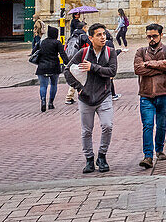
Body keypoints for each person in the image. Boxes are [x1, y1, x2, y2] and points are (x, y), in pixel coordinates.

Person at [63, 23, 117, 174]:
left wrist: (93, 67)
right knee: (86, 131)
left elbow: (112, 71)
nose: (103, 37)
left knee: (107, 126)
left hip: (104, 95)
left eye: (104, 34)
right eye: (99, 35)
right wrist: (78, 88)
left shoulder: (110, 52)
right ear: (91, 38)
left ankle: (102, 156)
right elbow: (67, 70)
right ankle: (89, 159)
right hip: (86, 98)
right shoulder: (83, 53)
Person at [134, 23, 166, 169]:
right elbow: (138, 69)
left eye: (154, 36)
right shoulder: (140, 51)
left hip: (164, 93)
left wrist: (149, 64)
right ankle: (148, 156)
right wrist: (159, 68)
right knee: (148, 125)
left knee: (161, 123)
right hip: (146, 94)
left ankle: (159, 148)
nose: (151, 39)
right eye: (149, 36)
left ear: (161, 35)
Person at [32, 26, 65, 112]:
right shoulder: (57, 43)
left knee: (43, 85)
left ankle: (43, 101)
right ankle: (51, 103)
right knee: (54, 85)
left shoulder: (41, 42)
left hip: (42, 67)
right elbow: (63, 54)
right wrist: (69, 63)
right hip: (54, 66)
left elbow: (33, 52)